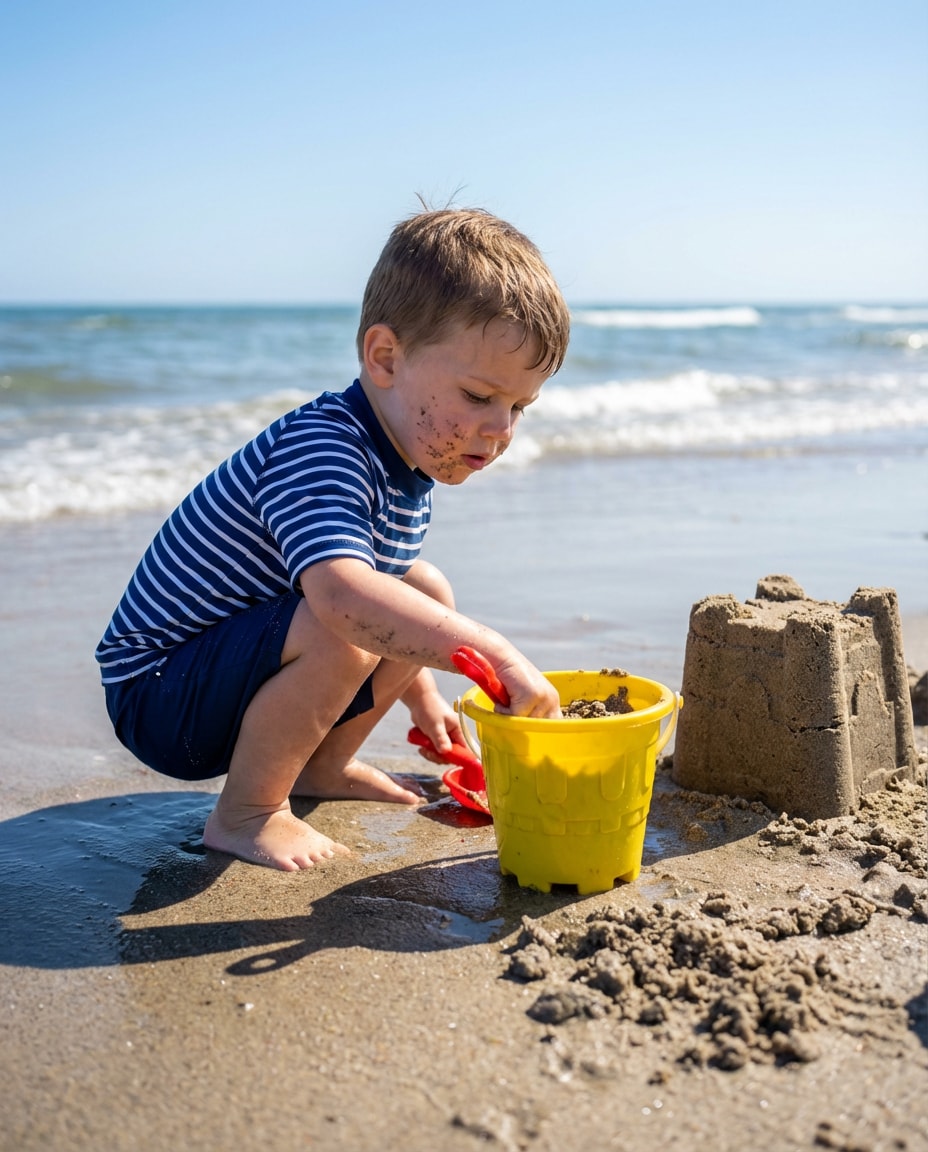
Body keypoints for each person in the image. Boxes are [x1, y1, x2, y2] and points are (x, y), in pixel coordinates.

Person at [96, 207, 571, 871]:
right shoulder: (325, 448)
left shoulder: (405, 462)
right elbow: (345, 599)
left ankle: (320, 766)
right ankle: (248, 812)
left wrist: (424, 695)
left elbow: (385, 596)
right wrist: (498, 654)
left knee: (424, 589)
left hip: (227, 671)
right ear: (385, 358)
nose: (501, 429)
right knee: (346, 617)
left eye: (519, 407)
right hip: (157, 690)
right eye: (478, 394)